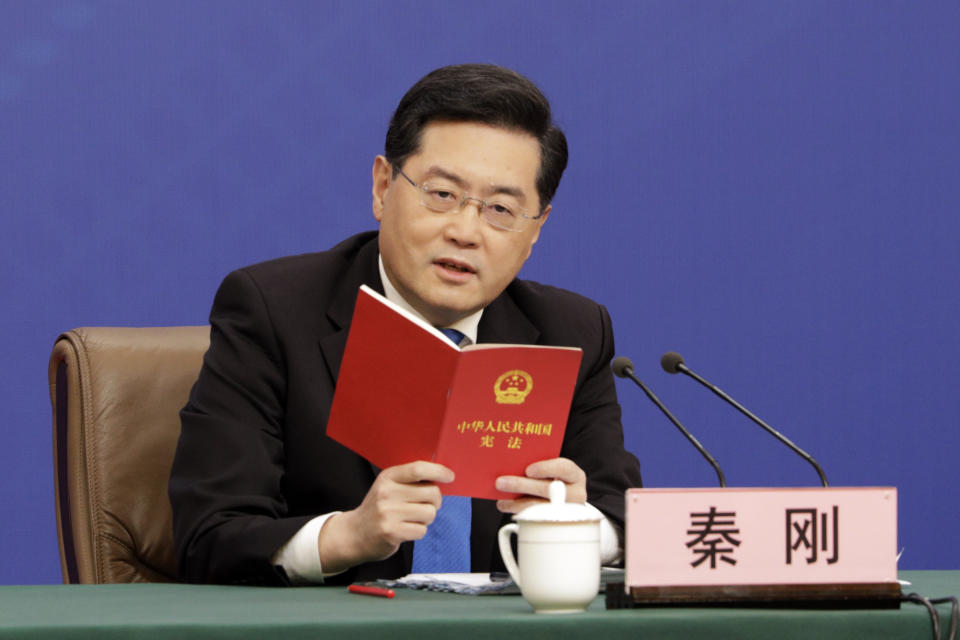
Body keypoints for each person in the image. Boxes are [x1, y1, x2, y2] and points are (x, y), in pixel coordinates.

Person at [169, 63, 643, 585]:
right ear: (382, 186)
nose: (465, 231)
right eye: (442, 195)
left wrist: (576, 526)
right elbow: (209, 535)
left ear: (536, 231)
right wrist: (348, 535)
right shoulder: (273, 312)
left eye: (501, 209)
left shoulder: (571, 331)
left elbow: (625, 519)